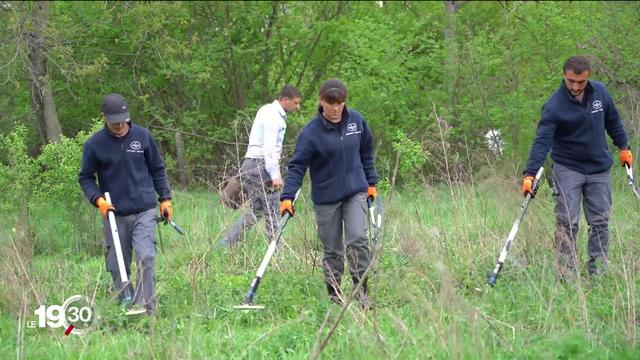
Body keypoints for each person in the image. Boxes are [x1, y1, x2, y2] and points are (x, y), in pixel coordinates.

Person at [522, 56, 632, 279]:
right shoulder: (554, 106)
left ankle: (598, 270)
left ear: (588, 77)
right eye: (571, 81)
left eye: (580, 82)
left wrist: (623, 146)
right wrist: (530, 174)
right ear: (564, 76)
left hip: (599, 169)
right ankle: (566, 273)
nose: (574, 86)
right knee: (567, 223)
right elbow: (542, 142)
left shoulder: (600, 93)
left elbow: (613, 122)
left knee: (600, 221)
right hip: (568, 169)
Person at [280, 78, 378, 309]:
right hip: (326, 199)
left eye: (340, 103)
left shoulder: (357, 122)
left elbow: (366, 153)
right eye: (330, 103)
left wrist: (371, 182)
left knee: (358, 240)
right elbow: (297, 167)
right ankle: (335, 296)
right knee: (332, 250)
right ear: (321, 102)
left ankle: (361, 292)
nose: (335, 109)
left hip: (356, 192)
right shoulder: (310, 133)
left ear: (345, 102)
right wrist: (287, 197)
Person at [79, 93, 173, 315]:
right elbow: (85, 178)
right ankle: (126, 300)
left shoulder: (143, 136)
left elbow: (157, 169)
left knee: (146, 256)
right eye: (115, 122)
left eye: (123, 120)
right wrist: (98, 200)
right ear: (104, 117)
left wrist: (165, 199)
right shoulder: (94, 144)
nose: (120, 126)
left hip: (144, 210)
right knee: (116, 264)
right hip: (114, 213)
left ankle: (146, 307)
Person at [221, 85, 302, 246]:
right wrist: (275, 175)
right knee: (273, 211)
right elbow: (270, 147)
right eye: (295, 103)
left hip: (250, 164)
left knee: (256, 210)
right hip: (261, 166)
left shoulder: (265, 110)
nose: (297, 107)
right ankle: (276, 254)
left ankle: (228, 243)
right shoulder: (274, 117)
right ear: (285, 100)